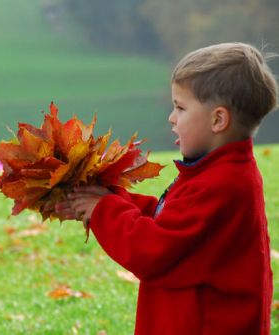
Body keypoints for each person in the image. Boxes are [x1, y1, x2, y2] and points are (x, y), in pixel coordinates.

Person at [56, 43, 277, 334]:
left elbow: (153, 250)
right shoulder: (216, 171)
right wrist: (110, 198)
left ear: (218, 119)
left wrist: (105, 210)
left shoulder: (224, 184)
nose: (171, 118)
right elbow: (170, 220)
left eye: (180, 108)